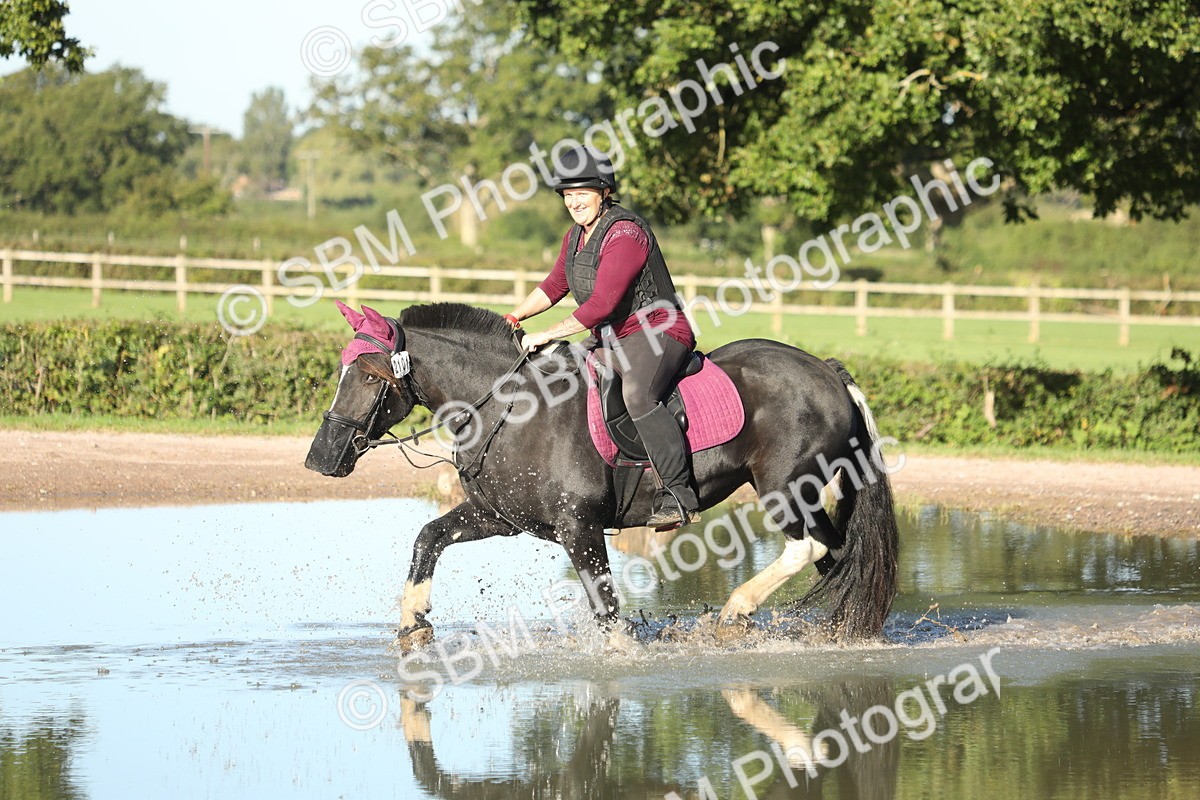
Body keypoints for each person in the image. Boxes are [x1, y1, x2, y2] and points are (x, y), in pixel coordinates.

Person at [507, 145, 700, 527]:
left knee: (637, 394)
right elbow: (554, 285)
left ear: (604, 192)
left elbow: (602, 303)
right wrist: (514, 315)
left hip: (657, 330)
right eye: (568, 195)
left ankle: (678, 494)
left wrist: (547, 333)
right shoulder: (576, 237)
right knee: (562, 382)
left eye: (583, 193)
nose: (575, 202)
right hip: (612, 338)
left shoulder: (625, 233)